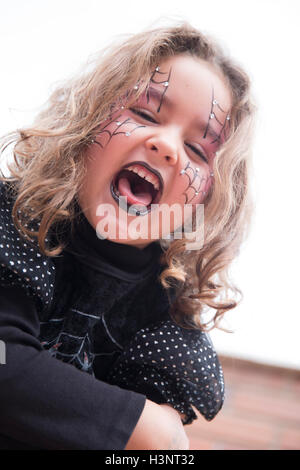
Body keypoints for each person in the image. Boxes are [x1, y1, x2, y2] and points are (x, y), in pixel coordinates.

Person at [0, 23, 255, 450]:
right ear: (86, 125)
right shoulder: (18, 220)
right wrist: (140, 427)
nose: (167, 145)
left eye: (197, 151)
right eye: (145, 114)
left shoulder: (165, 320)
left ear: (207, 202)